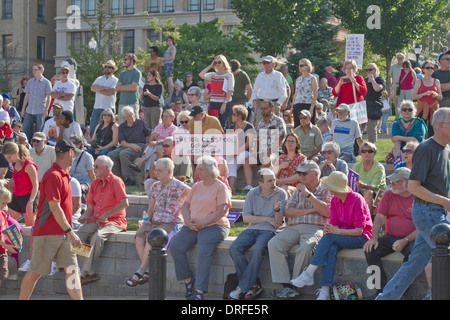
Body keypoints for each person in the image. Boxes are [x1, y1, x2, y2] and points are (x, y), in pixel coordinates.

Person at [376, 108, 450, 300]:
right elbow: (414, 187)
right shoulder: (426, 149)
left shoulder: (445, 149)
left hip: (435, 212)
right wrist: (444, 201)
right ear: (441, 126)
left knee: (414, 264)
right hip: (428, 212)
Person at [290, 171, 373, 300]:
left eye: (329, 186)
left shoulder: (357, 199)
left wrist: (336, 232)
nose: (327, 189)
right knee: (331, 246)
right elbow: (333, 224)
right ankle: (325, 291)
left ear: (335, 188)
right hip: (340, 236)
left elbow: (359, 231)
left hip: (360, 238)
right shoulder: (334, 200)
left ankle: (309, 273)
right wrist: (328, 229)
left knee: (330, 238)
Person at [19, 140, 83, 300]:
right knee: (35, 272)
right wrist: (70, 231)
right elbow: (54, 207)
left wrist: (68, 232)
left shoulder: (64, 175)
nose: (75, 157)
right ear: (70, 153)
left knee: (73, 270)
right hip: (47, 233)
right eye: (74, 154)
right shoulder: (53, 176)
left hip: (64, 233)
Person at [170, 156, 231, 300]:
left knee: (203, 252)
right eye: (198, 168)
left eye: (201, 169)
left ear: (211, 170)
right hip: (192, 225)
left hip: (214, 226)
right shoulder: (197, 186)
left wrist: (203, 223)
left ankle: (199, 292)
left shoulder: (221, 187)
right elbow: (185, 205)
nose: (198, 172)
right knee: (175, 246)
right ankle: (188, 280)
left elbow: (222, 210)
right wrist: (187, 220)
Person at [268, 160, 332, 300]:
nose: (300, 176)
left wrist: (308, 194)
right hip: (294, 227)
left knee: (306, 247)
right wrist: (312, 209)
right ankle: (287, 286)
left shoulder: (326, 188)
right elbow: (289, 211)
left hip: (315, 228)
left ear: (315, 174)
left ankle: (294, 286)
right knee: (273, 244)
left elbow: (326, 212)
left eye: (304, 173)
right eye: (299, 173)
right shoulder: (297, 190)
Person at [127, 158, 190, 287]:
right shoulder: (155, 186)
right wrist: (146, 221)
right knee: (139, 235)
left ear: (170, 171)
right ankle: (148, 270)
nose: (156, 173)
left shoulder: (181, 187)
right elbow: (151, 208)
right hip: (155, 220)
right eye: (156, 170)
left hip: (171, 222)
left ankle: (140, 271)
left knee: (152, 238)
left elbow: (193, 199)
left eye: (160, 170)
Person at [228, 168, 286, 300]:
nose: (274, 183)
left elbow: (278, 222)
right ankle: (252, 285)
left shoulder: (281, 194)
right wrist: (266, 218)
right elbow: (246, 218)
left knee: (258, 249)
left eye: (274, 179)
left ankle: (242, 288)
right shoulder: (252, 194)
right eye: (270, 181)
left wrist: (277, 210)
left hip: (270, 231)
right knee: (234, 248)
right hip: (252, 228)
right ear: (261, 183)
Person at [364, 167, 416, 299]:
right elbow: (380, 217)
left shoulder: (418, 196)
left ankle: (402, 293)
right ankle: (379, 289)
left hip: (412, 239)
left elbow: (422, 227)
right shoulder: (388, 194)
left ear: (407, 182)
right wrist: (374, 238)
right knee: (370, 249)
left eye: (396, 182)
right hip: (390, 236)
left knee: (412, 254)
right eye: (391, 181)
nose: (392, 184)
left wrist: (405, 241)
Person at [76, 155, 129, 286]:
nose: (94, 169)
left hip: (115, 220)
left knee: (97, 237)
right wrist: (84, 217)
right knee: (76, 238)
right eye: (94, 166)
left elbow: (124, 203)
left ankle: (83, 273)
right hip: (96, 219)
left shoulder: (116, 181)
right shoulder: (94, 183)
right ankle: (90, 272)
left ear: (106, 168)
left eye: (97, 167)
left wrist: (107, 214)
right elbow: (90, 208)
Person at [107, 106, 151, 186]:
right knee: (111, 154)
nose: (132, 117)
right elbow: (122, 142)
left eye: (132, 114)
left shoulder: (141, 123)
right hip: (126, 145)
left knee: (123, 154)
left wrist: (147, 145)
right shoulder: (122, 126)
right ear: (124, 118)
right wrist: (132, 146)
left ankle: (128, 179)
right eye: (129, 116)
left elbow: (150, 134)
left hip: (139, 145)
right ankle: (118, 178)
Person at [129, 109, 177, 179]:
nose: (164, 118)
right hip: (154, 148)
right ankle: (145, 179)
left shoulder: (174, 129)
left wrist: (157, 142)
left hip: (166, 147)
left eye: (166, 116)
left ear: (172, 118)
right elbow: (150, 141)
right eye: (163, 116)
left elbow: (170, 140)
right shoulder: (158, 127)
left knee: (153, 146)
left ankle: (139, 163)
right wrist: (153, 135)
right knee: (152, 157)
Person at [2, 142, 38, 226]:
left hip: (28, 197)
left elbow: (35, 185)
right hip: (16, 197)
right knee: (5, 222)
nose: (8, 160)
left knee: (30, 229)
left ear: (15, 152)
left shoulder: (29, 165)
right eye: (6, 158)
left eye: (9, 157)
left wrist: (30, 202)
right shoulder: (15, 164)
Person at [199, 55, 235, 129]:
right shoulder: (213, 75)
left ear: (224, 63)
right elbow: (201, 75)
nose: (217, 64)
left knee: (222, 124)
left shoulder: (229, 75)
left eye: (219, 62)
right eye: (216, 62)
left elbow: (230, 91)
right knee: (212, 124)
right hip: (213, 102)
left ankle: (223, 139)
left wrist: (224, 104)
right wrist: (210, 65)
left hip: (225, 103)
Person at [352, 142, 388, 214]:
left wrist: (363, 185)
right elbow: (351, 182)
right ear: (360, 153)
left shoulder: (379, 167)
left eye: (370, 151)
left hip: (380, 194)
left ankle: (367, 220)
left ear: (374, 153)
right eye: (363, 151)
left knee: (368, 192)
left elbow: (375, 186)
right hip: (361, 193)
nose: (366, 153)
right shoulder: (357, 166)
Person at [251, 56, 288, 125]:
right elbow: (255, 91)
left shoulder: (278, 75)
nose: (265, 65)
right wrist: (254, 100)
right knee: (260, 126)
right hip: (261, 103)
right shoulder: (260, 75)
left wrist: (279, 104)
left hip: (273, 104)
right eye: (264, 63)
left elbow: (283, 92)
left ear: (273, 64)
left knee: (274, 127)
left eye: (267, 63)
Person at [227, 104, 255, 192]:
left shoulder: (249, 127)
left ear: (239, 116)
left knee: (241, 157)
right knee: (230, 162)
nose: (231, 116)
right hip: (234, 153)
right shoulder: (231, 127)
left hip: (246, 152)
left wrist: (236, 151)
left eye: (233, 114)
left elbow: (248, 144)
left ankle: (249, 185)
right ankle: (232, 187)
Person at [21, 64, 52, 141]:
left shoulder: (46, 82)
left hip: (40, 110)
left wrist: (46, 109)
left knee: (39, 132)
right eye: (33, 70)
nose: (33, 71)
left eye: (35, 70)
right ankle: (25, 146)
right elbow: (26, 96)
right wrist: (23, 109)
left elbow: (49, 97)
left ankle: (38, 147)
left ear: (41, 70)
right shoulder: (30, 82)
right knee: (25, 130)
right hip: (29, 110)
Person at [89, 60, 118, 138]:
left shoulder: (115, 80)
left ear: (113, 69)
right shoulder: (99, 78)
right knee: (93, 127)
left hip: (109, 108)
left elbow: (112, 92)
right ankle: (93, 144)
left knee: (108, 129)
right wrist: (105, 88)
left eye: (109, 67)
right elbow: (92, 88)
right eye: (106, 67)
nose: (107, 68)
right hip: (97, 107)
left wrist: (98, 89)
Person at [413, 60, 443, 137]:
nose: (430, 70)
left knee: (433, 131)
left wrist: (436, 95)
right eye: (428, 68)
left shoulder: (436, 81)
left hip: (434, 109)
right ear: (423, 69)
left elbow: (441, 97)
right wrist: (424, 94)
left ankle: (432, 147)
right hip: (422, 108)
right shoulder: (419, 81)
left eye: (432, 68)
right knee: (420, 130)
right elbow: (413, 97)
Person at [256, 99, 286, 167]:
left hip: (275, 151)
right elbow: (258, 140)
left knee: (267, 159)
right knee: (246, 160)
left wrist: (269, 152)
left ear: (272, 109)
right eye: (261, 108)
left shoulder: (279, 121)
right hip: (262, 152)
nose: (263, 110)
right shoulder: (261, 123)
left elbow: (281, 137)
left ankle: (272, 177)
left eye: (265, 108)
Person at [292, 58, 319, 128]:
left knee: (309, 126)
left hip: (308, 104)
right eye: (299, 65)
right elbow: (296, 94)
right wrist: (292, 107)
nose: (299, 67)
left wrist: (311, 108)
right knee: (297, 127)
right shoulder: (298, 79)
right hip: (297, 105)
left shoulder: (312, 78)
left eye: (301, 65)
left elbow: (315, 94)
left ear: (307, 66)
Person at [116, 53, 141, 124]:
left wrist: (123, 87)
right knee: (121, 125)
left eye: (126, 59)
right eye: (124, 59)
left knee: (134, 125)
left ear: (132, 61)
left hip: (132, 103)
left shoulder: (137, 73)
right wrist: (129, 86)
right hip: (122, 103)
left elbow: (133, 87)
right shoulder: (122, 73)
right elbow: (117, 87)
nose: (124, 61)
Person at [365, 63, 386, 143]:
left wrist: (372, 80)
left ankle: (372, 149)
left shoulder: (380, 79)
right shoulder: (365, 80)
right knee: (358, 129)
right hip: (364, 106)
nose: (368, 72)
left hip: (374, 107)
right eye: (367, 70)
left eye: (370, 69)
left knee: (371, 130)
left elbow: (377, 89)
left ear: (375, 70)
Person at [0, 187, 16, 287]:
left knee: (3, 274)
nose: (5, 206)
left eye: (6, 203)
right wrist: (6, 246)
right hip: (2, 248)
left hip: (3, 250)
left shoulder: (3, 214)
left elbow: (5, 232)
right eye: (3, 203)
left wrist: (10, 244)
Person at [388, 53, 406, 118]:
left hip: (405, 87)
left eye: (401, 58)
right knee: (397, 103)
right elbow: (389, 76)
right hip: (396, 86)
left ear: (404, 59)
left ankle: (404, 117)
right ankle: (398, 117)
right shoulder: (393, 67)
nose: (400, 59)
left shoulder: (406, 67)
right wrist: (391, 85)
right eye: (398, 58)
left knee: (404, 103)